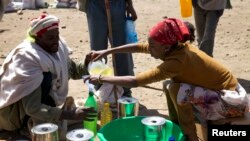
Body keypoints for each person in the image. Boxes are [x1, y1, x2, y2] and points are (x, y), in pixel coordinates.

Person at [85, 18, 249, 141]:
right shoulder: (173, 47)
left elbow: (136, 81)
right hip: (220, 94)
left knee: (177, 90)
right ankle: (177, 126)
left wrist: (101, 77)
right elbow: (139, 47)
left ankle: (189, 135)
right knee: (170, 86)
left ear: (165, 47)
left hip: (231, 102)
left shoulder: (177, 61)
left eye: (153, 46)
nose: (149, 48)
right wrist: (106, 52)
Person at [0, 13, 96, 140]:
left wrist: (87, 63)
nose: (56, 41)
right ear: (38, 38)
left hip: (37, 107)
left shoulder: (57, 49)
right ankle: (21, 129)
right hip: (13, 117)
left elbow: (72, 71)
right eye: (50, 38)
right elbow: (32, 108)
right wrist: (69, 114)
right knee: (46, 79)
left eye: (57, 36)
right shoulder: (29, 60)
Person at [85, 0, 137, 97]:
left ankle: (125, 90)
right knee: (97, 49)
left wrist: (130, 5)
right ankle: (99, 88)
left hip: (118, 4)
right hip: (95, 4)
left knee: (122, 48)